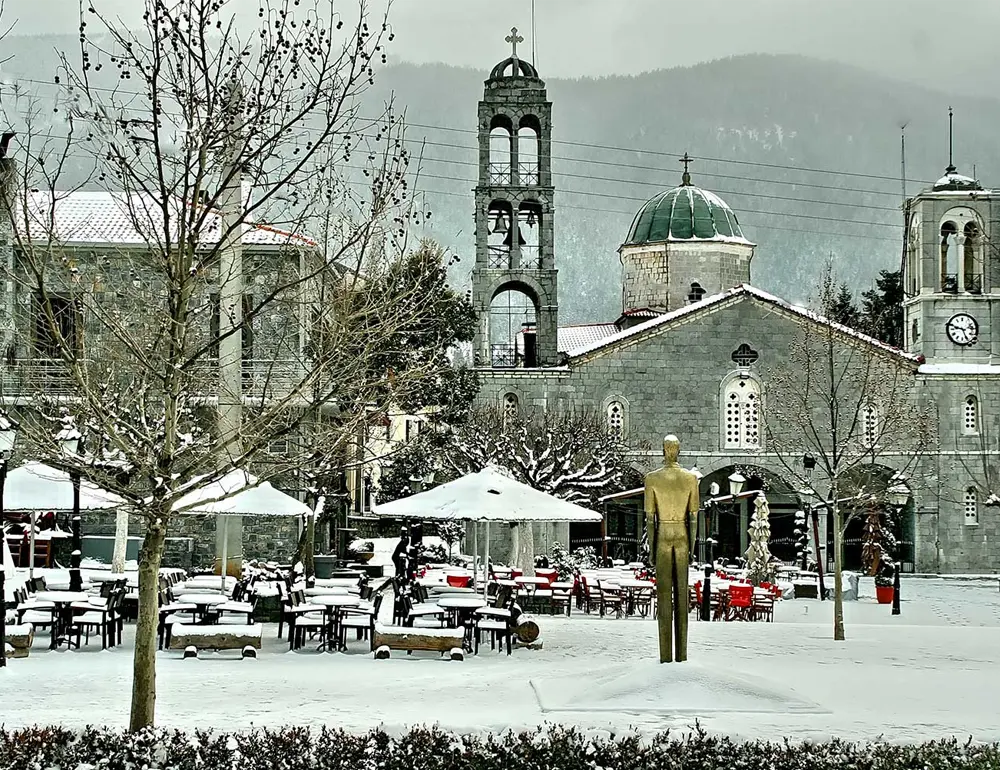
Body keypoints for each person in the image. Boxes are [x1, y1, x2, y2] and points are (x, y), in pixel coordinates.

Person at [644, 434, 699, 663]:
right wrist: (693, 548)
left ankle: (665, 656)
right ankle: (682, 656)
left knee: (664, 596)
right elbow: (693, 518)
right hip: (683, 535)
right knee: (682, 596)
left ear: (663, 450)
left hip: (664, 535)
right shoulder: (690, 479)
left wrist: (651, 548)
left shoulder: (652, 479)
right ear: (678, 450)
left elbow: (650, 519)